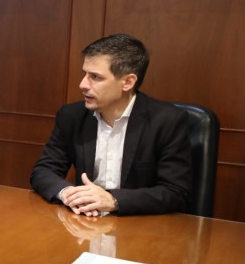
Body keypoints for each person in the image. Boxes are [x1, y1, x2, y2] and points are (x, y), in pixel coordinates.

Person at [30, 33, 192, 216]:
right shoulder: (72, 116)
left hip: (138, 224)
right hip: (85, 220)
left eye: (95, 77)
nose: (83, 84)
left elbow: (176, 192)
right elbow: (44, 171)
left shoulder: (167, 121)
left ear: (127, 82)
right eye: (85, 74)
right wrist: (68, 194)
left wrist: (113, 200)